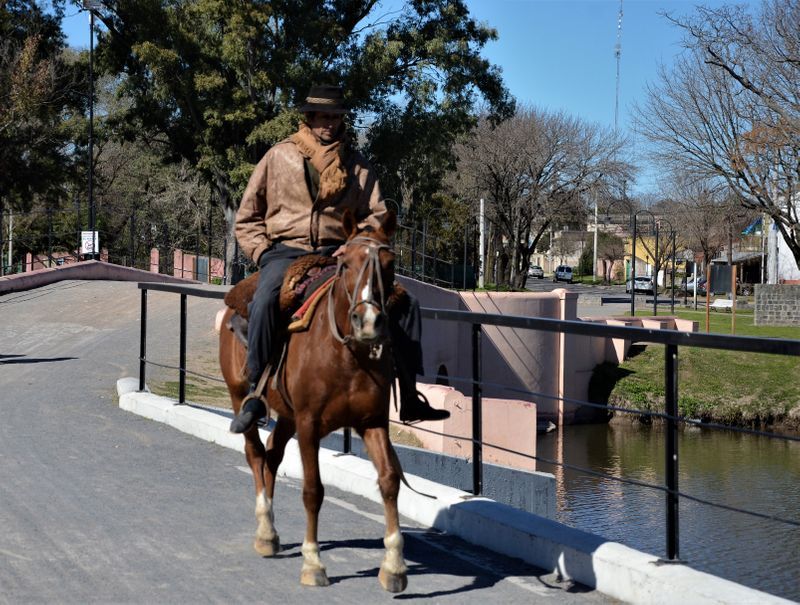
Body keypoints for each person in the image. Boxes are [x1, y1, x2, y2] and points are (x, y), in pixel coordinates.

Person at [229, 84, 449, 433]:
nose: (328, 124)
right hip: (285, 250)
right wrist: (264, 252)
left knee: (404, 304)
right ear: (310, 118)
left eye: (335, 117)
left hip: (339, 253)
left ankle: (408, 394)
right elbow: (247, 217)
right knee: (266, 297)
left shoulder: (358, 166)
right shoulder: (278, 156)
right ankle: (255, 392)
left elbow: (376, 216)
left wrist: (355, 244)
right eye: (322, 117)